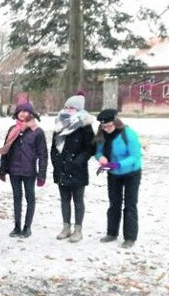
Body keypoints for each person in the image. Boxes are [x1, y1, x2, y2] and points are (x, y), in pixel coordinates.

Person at [94, 109, 142, 248]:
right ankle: (112, 232)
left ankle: (130, 237)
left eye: (109, 126)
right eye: (104, 127)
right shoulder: (103, 134)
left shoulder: (129, 134)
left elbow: (135, 157)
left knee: (130, 204)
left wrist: (117, 164)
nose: (107, 129)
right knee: (114, 203)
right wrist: (101, 158)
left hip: (131, 172)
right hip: (113, 173)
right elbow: (98, 151)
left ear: (116, 122)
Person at [50, 93, 95, 243]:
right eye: (66, 106)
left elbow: (90, 148)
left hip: (77, 169)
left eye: (72, 107)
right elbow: (54, 147)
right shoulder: (59, 124)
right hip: (61, 168)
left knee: (78, 200)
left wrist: (78, 161)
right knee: (64, 200)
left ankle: (78, 229)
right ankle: (66, 227)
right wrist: (56, 161)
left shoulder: (85, 126)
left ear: (79, 109)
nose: (68, 109)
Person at [0, 102, 48, 238]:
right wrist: (2, 169)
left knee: (29, 197)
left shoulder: (37, 132)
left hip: (29, 171)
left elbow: (43, 154)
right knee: (16, 198)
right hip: (14, 170)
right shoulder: (12, 129)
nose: (23, 114)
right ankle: (17, 226)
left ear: (31, 114)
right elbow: (5, 150)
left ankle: (27, 227)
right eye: (20, 111)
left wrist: (42, 174)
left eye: (26, 111)